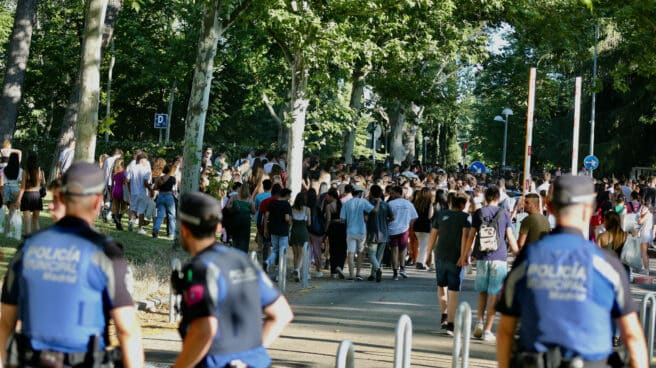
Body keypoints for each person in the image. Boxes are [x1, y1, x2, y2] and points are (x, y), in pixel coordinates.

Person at [0, 162, 144, 367]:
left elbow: (6, 323)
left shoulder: (27, 249)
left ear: (60, 198)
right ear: (97, 202)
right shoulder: (106, 254)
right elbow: (127, 330)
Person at [496, 175, 648, 368]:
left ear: (550, 208)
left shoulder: (527, 260)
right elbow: (633, 336)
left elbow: (505, 332)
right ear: (589, 210)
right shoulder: (606, 265)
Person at [172, 192, 293, 368]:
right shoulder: (243, 260)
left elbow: (203, 330)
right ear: (218, 228)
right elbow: (282, 314)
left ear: (184, 229)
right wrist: (251, 353)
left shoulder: (200, 269)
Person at [461, 185, 519, 342]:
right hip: (499, 258)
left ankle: (479, 321)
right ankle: (487, 330)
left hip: (482, 257)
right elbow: (511, 238)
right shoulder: (505, 214)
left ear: (485, 197)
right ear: (498, 198)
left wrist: (466, 255)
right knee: (494, 294)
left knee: (482, 292)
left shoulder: (479, 213)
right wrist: (519, 254)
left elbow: (471, 236)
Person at [428, 191, 471, 335]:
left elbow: (433, 236)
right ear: (463, 204)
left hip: (440, 255)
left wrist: (427, 254)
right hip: (456, 257)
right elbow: (466, 237)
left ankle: (444, 315)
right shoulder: (466, 218)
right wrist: (464, 256)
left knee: (441, 286)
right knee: (454, 290)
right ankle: (451, 324)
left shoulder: (440, 215)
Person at [340, 185, 376, 280]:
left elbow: (342, 219)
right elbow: (374, 210)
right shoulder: (363, 202)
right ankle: (358, 274)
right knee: (360, 252)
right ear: (360, 193)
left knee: (351, 253)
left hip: (350, 231)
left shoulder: (346, 204)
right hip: (361, 231)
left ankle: (351, 274)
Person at [387, 185, 419, 280]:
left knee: (394, 250)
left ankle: (395, 272)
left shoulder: (390, 204)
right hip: (404, 229)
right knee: (403, 249)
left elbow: (387, 217)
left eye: (392, 193)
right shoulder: (408, 204)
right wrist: (408, 224)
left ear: (398, 193)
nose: (391, 194)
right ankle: (402, 268)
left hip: (392, 229)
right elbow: (414, 217)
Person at [264, 188, 292, 281]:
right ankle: (279, 274)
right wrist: (290, 222)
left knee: (275, 250)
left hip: (273, 230)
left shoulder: (272, 203)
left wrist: (266, 229)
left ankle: (268, 261)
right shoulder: (286, 205)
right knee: (282, 252)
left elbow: (267, 216)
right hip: (283, 231)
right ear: (287, 195)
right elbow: (287, 218)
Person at [366, 185, 392, 282]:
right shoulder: (386, 205)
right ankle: (373, 274)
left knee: (371, 254)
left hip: (373, 233)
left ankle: (377, 270)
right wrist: (385, 221)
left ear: (371, 193)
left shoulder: (369, 204)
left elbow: (366, 218)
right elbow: (392, 217)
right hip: (384, 233)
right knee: (379, 256)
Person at [16, 151, 45, 236]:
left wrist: (18, 200)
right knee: (35, 221)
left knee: (27, 223)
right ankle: (37, 240)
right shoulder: (40, 170)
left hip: (27, 196)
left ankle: (28, 241)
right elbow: (44, 182)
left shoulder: (25, 172)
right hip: (37, 196)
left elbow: (22, 188)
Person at [289, 192, 311, 282]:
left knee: (295, 254)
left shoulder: (292, 209)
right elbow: (309, 223)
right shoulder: (307, 209)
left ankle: (296, 273)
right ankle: (297, 270)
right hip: (303, 231)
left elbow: (290, 222)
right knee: (301, 254)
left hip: (294, 231)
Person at [226, 183, 253, 252]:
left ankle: (235, 253)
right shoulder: (249, 199)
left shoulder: (234, 197)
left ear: (240, 189)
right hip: (246, 222)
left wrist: (234, 208)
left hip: (236, 221)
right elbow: (253, 211)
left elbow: (228, 206)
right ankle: (243, 255)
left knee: (236, 239)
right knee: (245, 240)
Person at [152, 164, 177, 239]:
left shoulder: (159, 178)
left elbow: (155, 188)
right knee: (171, 216)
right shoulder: (173, 179)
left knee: (160, 215)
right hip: (169, 196)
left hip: (160, 196)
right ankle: (172, 234)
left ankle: (156, 229)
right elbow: (175, 186)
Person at [412, 187, 434, 270]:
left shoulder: (416, 203)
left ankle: (419, 261)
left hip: (417, 225)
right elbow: (430, 216)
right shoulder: (430, 203)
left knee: (421, 245)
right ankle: (421, 262)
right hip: (426, 226)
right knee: (425, 245)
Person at [1, 153, 22, 233]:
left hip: (5, 189)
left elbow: (1, 181)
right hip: (15, 190)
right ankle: (8, 230)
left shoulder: (2, 170)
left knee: (4, 209)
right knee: (12, 211)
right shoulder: (20, 170)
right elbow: (21, 181)